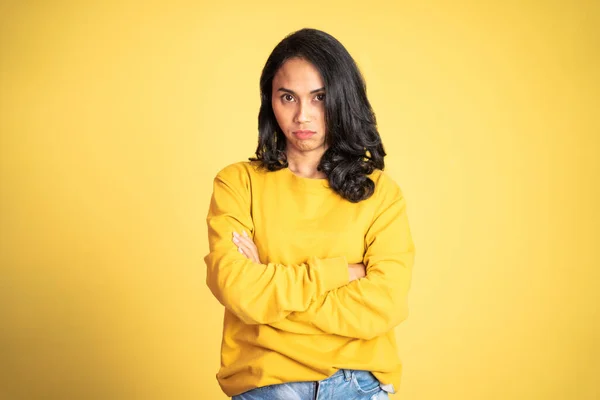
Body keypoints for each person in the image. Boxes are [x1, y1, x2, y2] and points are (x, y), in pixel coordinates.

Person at [204, 28, 415, 400]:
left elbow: (385, 304)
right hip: (267, 383)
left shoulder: (380, 193)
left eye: (319, 98)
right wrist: (341, 273)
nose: (303, 116)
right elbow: (238, 290)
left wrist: (268, 296)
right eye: (288, 97)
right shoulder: (237, 184)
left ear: (342, 99)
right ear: (270, 100)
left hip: (359, 384)